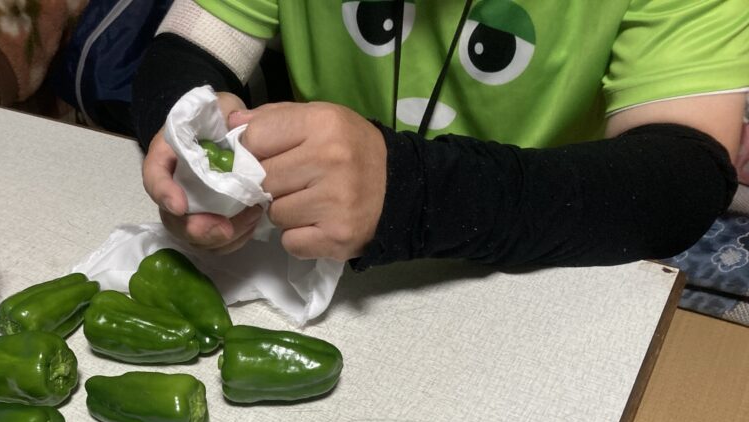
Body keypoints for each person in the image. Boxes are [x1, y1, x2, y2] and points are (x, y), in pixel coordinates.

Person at [130, 0, 748, 271]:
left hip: (545, 262)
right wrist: (191, 129)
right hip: (324, 265)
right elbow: (188, 48)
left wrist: (408, 191)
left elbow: (681, 180)